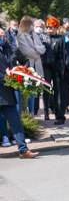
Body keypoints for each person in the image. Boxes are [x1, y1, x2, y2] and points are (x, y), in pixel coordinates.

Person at [0, 27, 38, 158]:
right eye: (0, 35)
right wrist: (7, 76)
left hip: (7, 93)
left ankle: (23, 150)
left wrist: (23, 70)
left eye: (3, 35)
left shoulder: (8, 49)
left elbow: (22, 61)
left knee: (15, 121)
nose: (2, 37)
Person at [15, 17, 46, 115]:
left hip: (36, 66)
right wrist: (36, 50)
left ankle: (31, 113)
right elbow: (26, 51)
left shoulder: (34, 35)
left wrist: (36, 48)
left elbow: (43, 49)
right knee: (26, 92)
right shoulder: (20, 36)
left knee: (32, 92)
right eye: (32, 24)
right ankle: (25, 113)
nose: (33, 26)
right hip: (26, 67)